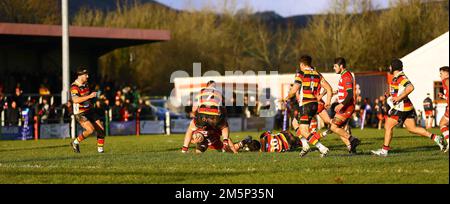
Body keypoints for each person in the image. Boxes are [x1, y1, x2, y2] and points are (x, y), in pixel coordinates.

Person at [371, 59, 445, 157]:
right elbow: (399, 90)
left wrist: (398, 98)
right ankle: (436, 138)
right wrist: (390, 95)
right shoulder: (396, 77)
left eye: (390, 66)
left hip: (402, 108)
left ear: (394, 67)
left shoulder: (401, 77)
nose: (389, 68)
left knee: (388, 126)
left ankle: (384, 151)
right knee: (412, 128)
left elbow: (410, 87)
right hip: (406, 106)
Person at [284, 55, 332, 157]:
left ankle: (322, 148)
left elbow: (294, 89)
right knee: (295, 123)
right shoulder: (317, 74)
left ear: (302, 64)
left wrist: (287, 96)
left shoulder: (301, 74)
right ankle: (305, 145)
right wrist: (328, 101)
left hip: (306, 105)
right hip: (314, 104)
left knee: (304, 131)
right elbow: (329, 88)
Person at [182, 80, 239, 154]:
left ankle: (184, 149)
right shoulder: (218, 93)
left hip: (202, 113)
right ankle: (225, 142)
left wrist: (197, 116)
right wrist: (222, 119)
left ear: (207, 86)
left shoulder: (201, 92)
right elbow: (223, 108)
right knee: (224, 126)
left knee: (190, 128)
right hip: (215, 114)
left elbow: (194, 109)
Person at [326, 57, 361, 154]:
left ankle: (352, 140)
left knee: (333, 127)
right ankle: (351, 147)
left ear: (341, 66)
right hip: (345, 106)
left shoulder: (346, 76)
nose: (334, 68)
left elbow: (350, 94)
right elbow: (346, 90)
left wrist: (341, 104)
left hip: (347, 106)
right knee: (337, 128)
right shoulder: (344, 75)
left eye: (335, 66)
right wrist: (338, 91)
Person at [70, 69, 106, 153]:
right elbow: (75, 100)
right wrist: (89, 96)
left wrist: (95, 98)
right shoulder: (74, 87)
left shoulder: (86, 84)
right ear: (80, 75)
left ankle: (100, 151)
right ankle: (75, 142)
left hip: (89, 110)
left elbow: (87, 97)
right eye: (86, 75)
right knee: (90, 130)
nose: (87, 76)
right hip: (80, 113)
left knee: (101, 129)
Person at [438, 66, 449, 152]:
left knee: (442, 124)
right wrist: (444, 96)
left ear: (446, 73)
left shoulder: (446, 80)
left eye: (441, 73)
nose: (440, 75)